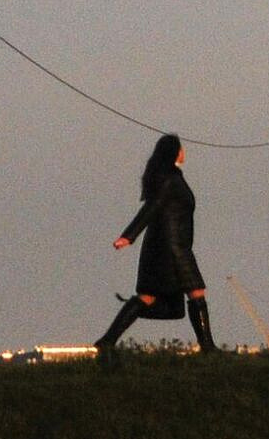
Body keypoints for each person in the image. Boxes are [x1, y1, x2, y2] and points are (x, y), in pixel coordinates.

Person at [93, 133, 218, 360]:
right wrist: (128, 237)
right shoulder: (170, 179)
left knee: (151, 298)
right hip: (172, 249)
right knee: (195, 292)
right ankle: (208, 348)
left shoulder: (172, 177)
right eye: (181, 148)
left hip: (172, 247)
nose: (184, 152)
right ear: (174, 152)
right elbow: (151, 208)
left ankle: (107, 341)